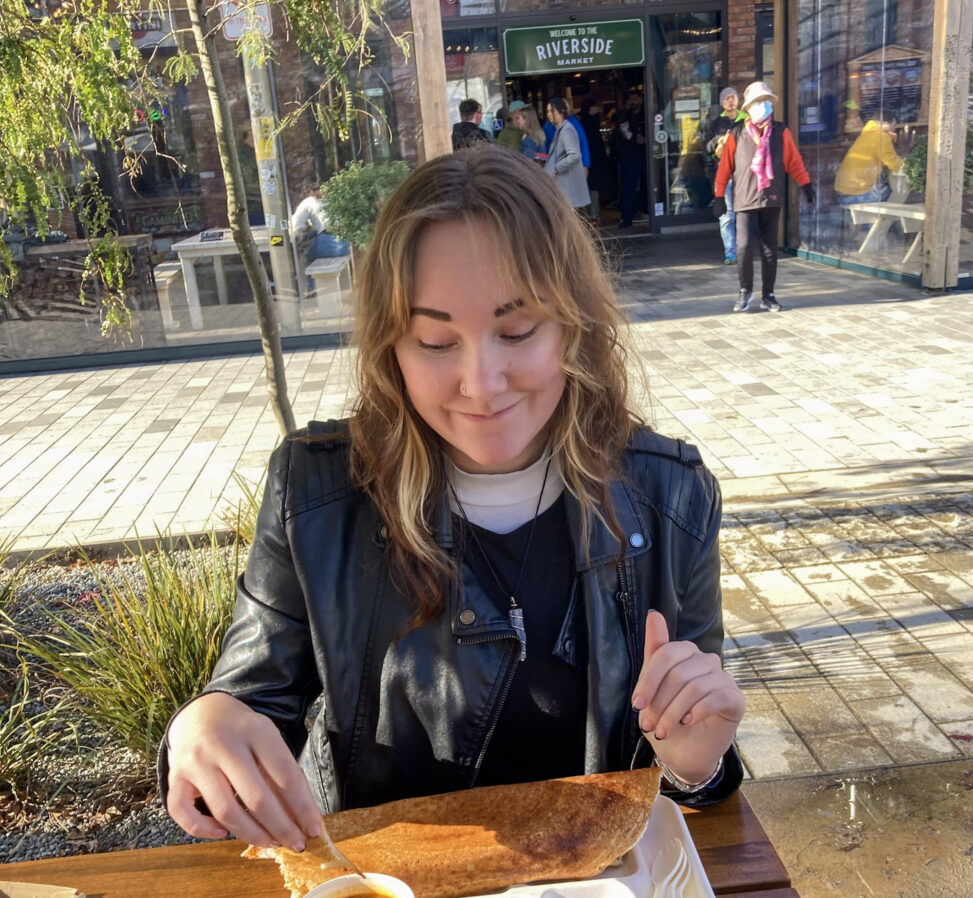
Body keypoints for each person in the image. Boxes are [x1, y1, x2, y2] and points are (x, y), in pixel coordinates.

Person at [160, 144, 745, 852]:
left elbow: (695, 745)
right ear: (391, 349)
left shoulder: (671, 498)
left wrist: (695, 765)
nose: (482, 381)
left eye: (517, 330)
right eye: (436, 340)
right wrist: (205, 725)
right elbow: (251, 700)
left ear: (573, 325)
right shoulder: (314, 496)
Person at [713, 82, 813, 314]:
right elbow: (724, 168)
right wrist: (719, 197)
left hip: (771, 197)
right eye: (758, 102)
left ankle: (768, 294)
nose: (763, 106)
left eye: (766, 101)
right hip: (744, 199)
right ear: (748, 107)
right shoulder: (736, 133)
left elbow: (793, 161)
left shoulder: (781, 131)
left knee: (769, 249)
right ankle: (744, 291)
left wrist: (805, 183)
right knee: (744, 247)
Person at [703, 87, 747, 264]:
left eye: (733, 97)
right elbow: (706, 149)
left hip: (744, 174)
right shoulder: (716, 124)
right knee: (727, 217)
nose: (731, 101)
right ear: (722, 103)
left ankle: (745, 250)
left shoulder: (747, 120)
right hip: (725, 176)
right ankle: (731, 253)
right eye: (727, 98)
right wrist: (718, 141)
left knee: (745, 214)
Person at [290, 183, 351, 295]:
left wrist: (300, 233)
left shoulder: (309, 202)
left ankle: (312, 290)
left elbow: (297, 225)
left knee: (307, 256)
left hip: (327, 244)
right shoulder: (338, 196)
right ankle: (343, 287)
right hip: (344, 245)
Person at [834, 113, 903, 204]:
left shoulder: (867, 134)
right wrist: (911, 168)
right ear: (885, 124)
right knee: (894, 193)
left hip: (842, 195)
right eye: (894, 126)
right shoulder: (881, 136)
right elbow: (893, 163)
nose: (895, 130)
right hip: (858, 195)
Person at [544, 97, 591, 216]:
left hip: (566, 186)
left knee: (567, 220)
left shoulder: (566, 130)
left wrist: (556, 168)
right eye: (548, 111)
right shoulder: (561, 130)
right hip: (563, 185)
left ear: (561, 112)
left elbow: (574, 155)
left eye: (552, 111)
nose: (549, 114)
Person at [613, 90, 647, 229]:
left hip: (645, 155)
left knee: (647, 184)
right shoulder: (624, 116)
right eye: (631, 99)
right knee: (628, 187)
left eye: (636, 98)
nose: (634, 101)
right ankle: (627, 217)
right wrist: (633, 138)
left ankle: (646, 211)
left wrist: (646, 139)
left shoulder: (647, 113)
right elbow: (622, 133)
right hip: (629, 156)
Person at [579, 97, 613, 225]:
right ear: (591, 108)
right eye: (596, 106)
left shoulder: (583, 121)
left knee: (588, 187)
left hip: (590, 160)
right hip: (593, 160)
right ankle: (593, 215)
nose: (598, 108)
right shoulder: (590, 122)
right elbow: (593, 144)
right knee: (593, 187)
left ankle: (589, 215)